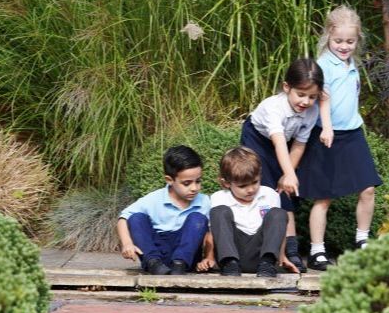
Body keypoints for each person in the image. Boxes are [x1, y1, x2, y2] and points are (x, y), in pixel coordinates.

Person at [298, 5, 383, 271]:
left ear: (357, 40)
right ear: (327, 36)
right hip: (327, 134)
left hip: (352, 133)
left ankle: (362, 240)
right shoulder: (323, 65)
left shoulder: (351, 63)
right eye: (338, 41)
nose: (344, 46)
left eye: (350, 41)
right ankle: (317, 251)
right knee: (324, 197)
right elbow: (323, 98)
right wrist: (326, 127)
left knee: (368, 187)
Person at [240, 58, 324, 274]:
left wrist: (288, 175)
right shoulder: (273, 108)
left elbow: (299, 144)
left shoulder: (311, 112)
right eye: (301, 94)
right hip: (258, 140)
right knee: (266, 192)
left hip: (285, 145)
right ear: (287, 87)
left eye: (312, 97)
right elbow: (277, 141)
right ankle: (263, 249)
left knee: (285, 192)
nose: (306, 101)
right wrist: (287, 172)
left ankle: (292, 250)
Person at [117, 145, 214, 275]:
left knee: (198, 219)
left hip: (187, 255)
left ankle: (179, 265)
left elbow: (210, 234)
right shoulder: (154, 199)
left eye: (198, 181)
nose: (194, 188)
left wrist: (209, 257)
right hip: (158, 251)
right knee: (136, 218)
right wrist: (127, 244)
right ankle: (153, 263)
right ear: (169, 180)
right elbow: (123, 218)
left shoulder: (204, 202)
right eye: (187, 183)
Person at [209, 146, 287, 277]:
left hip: (260, 254)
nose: (250, 189)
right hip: (233, 251)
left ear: (260, 175)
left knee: (279, 214)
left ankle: (267, 264)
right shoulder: (219, 197)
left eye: (254, 182)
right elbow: (212, 232)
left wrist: (282, 256)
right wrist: (209, 257)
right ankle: (230, 263)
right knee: (219, 212)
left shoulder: (270, 195)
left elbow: (278, 230)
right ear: (226, 183)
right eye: (242, 186)